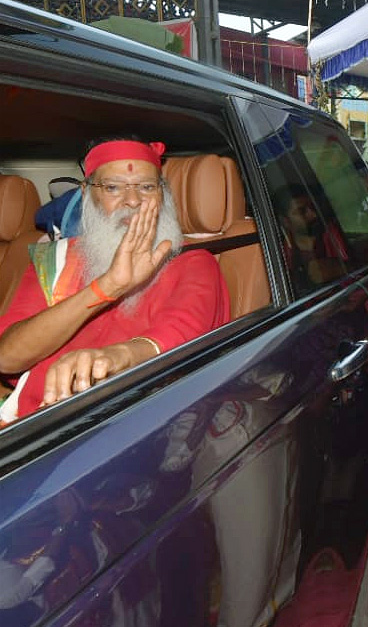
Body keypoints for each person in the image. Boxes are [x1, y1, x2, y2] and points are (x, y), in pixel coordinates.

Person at [0, 138, 230, 421]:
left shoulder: (194, 262)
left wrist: (113, 358)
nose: (133, 201)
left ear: (163, 195)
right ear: (87, 194)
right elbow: (7, 357)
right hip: (30, 422)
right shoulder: (57, 259)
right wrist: (108, 286)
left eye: (147, 187)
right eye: (112, 187)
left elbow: (178, 336)